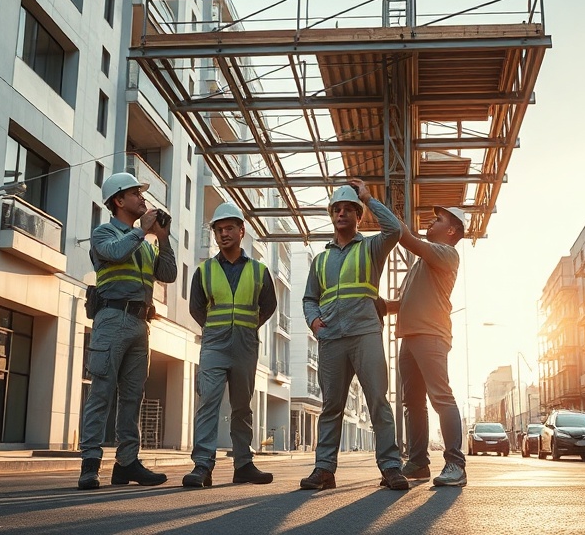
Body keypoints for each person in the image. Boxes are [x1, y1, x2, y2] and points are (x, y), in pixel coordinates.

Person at [300, 179, 409, 491]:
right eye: (337, 209)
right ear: (332, 215)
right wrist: (314, 322)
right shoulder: (320, 259)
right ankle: (324, 470)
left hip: (365, 333)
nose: (342, 213)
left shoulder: (372, 247)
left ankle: (390, 467)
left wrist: (369, 198)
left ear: (359, 216)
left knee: (378, 401)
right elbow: (310, 298)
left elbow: (395, 231)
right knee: (331, 406)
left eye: (349, 209)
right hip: (331, 338)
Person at [78, 172, 177, 490]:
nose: (143, 199)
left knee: (133, 397)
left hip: (140, 325)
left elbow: (169, 274)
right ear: (119, 200)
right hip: (111, 319)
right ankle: (90, 465)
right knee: (102, 393)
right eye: (136, 193)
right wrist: (143, 232)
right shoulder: (102, 233)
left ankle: (126, 464)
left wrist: (162, 238)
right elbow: (117, 252)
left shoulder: (147, 245)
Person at [182, 202, 277, 488]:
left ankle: (243, 464)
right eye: (219, 230)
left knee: (242, 407)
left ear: (241, 231)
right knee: (208, 402)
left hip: (245, 345)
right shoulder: (204, 271)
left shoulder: (260, 271)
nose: (223, 234)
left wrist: (246, 328)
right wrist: (216, 330)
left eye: (229, 228)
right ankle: (202, 466)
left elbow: (269, 306)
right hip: (214, 344)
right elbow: (197, 308)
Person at [385, 206, 468, 487]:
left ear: (452, 230)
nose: (432, 221)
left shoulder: (446, 254)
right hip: (409, 338)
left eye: (439, 219)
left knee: (441, 397)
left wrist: (387, 214)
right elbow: (398, 305)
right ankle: (418, 462)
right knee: (413, 403)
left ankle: (456, 464)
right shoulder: (418, 266)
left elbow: (408, 239)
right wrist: (372, 302)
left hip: (431, 335)